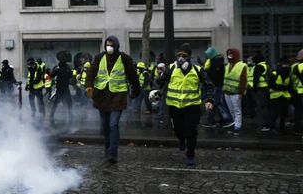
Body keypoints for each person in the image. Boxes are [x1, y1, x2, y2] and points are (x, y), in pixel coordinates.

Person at [150, 43, 215, 166]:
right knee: (178, 130)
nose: (180, 58)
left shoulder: (197, 70)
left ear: (189, 57)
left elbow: (209, 86)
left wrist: (209, 100)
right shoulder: (171, 68)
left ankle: (190, 154)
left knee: (191, 131)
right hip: (175, 106)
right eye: (179, 55)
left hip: (192, 106)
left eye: (183, 56)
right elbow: (159, 82)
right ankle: (181, 140)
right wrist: (155, 90)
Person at [85, 35, 140, 165]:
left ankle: (112, 153)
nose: (109, 47)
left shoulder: (125, 59)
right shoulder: (99, 58)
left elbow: (133, 76)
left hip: (118, 97)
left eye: (111, 45)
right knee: (105, 126)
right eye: (107, 45)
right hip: (101, 97)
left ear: (116, 46)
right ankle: (107, 147)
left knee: (113, 124)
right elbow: (91, 73)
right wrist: (88, 86)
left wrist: (136, 91)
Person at [201, 47, 233, 128]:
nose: (207, 55)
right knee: (217, 103)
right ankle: (216, 120)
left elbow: (214, 72)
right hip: (216, 85)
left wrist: (205, 71)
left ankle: (216, 120)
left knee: (213, 103)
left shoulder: (216, 62)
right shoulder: (216, 61)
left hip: (215, 85)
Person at [222, 48, 248, 133]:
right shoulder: (227, 66)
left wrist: (241, 92)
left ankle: (237, 126)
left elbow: (244, 80)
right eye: (228, 55)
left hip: (236, 93)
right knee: (231, 110)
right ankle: (235, 122)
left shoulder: (242, 66)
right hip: (227, 92)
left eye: (231, 55)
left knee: (237, 110)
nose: (229, 57)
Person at [268, 56, 292, 134]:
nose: (285, 65)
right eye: (284, 64)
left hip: (284, 96)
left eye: (286, 64)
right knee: (275, 113)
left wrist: (284, 88)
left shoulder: (288, 73)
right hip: (275, 96)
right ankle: (272, 127)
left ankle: (281, 128)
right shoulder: (275, 73)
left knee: (284, 113)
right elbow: (271, 84)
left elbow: (290, 85)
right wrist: (280, 88)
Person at [49, 51, 74, 127]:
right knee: (69, 104)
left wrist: (51, 71)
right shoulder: (68, 70)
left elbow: (51, 75)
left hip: (59, 89)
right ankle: (70, 119)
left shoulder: (58, 70)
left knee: (55, 103)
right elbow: (71, 76)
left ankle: (51, 117)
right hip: (66, 89)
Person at [252, 53, 271, 132]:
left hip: (261, 89)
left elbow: (255, 79)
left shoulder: (258, 66)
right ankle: (267, 124)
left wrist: (254, 89)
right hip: (267, 88)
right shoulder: (266, 65)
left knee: (261, 107)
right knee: (266, 106)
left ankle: (264, 125)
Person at [291, 50, 303, 135]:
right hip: (301, 91)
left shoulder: (294, 66)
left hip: (296, 91)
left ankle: (297, 128)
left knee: (297, 111)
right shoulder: (301, 66)